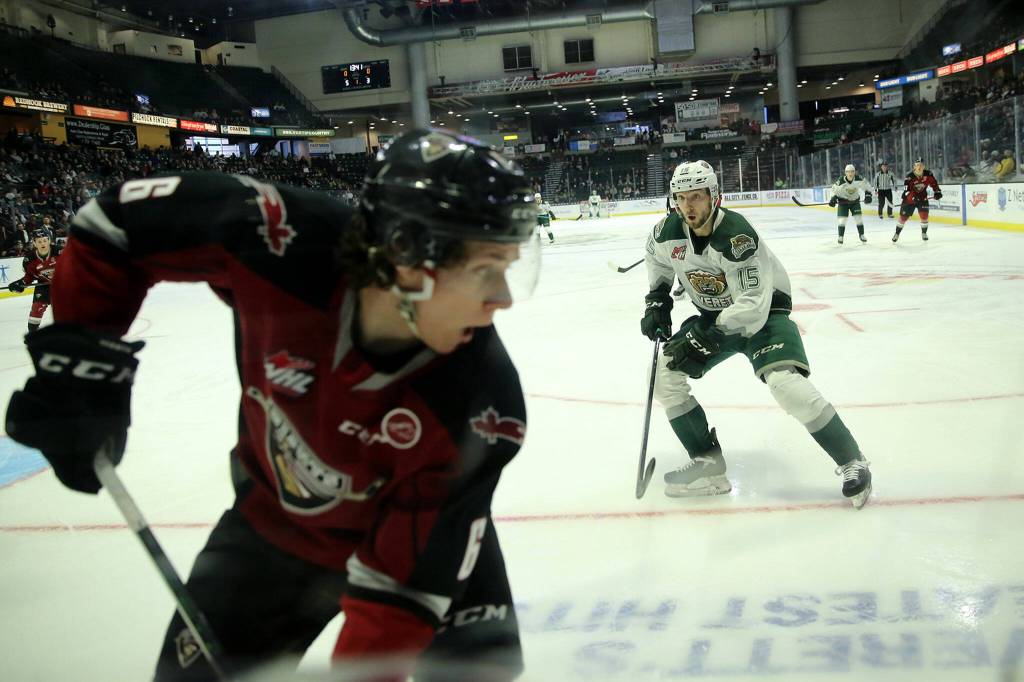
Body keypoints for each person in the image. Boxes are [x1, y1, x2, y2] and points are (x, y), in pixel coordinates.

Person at [4, 129, 540, 681]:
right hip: (272, 532)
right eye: (485, 268)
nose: (503, 298)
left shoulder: (482, 406)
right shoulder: (278, 235)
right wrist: (81, 373)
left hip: (416, 542)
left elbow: (397, 600)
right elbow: (113, 226)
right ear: (406, 254)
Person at [639, 160, 871, 509]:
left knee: (785, 384)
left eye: (697, 197)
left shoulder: (736, 236)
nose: (689, 206)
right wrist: (657, 299)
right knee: (663, 375)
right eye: (682, 198)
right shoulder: (665, 232)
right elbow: (656, 259)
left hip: (764, 316)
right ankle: (708, 465)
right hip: (715, 317)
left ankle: (853, 461)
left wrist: (711, 336)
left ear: (714, 196)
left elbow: (752, 304)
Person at [7, 228, 61, 333]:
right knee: (37, 308)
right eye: (39, 241)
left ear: (49, 241)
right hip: (44, 285)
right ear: (34, 243)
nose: (43, 243)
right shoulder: (29, 259)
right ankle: (33, 334)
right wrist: (20, 283)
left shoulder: (61, 252)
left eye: (45, 240)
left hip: (64, 284)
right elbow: (29, 276)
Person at [893, 158, 941, 243]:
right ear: (914, 167)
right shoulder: (909, 177)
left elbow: (934, 183)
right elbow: (906, 192)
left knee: (924, 216)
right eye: (917, 165)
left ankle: (924, 233)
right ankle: (897, 233)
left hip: (922, 198)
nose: (919, 167)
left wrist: (937, 192)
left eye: (921, 165)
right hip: (909, 200)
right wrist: (912, 197)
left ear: (924, 167)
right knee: (903, 218)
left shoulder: (928, 174)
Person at [829, 163, 872, 244]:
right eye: (848, 172)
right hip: (843, 203)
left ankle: (862, 235)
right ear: (845, 173)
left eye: (852, 171)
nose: (850, 173)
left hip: (854, 202)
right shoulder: (841, 180)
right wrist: (833, 198)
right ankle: (840, 236)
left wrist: (868, 194)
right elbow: (833, 190)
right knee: (842, 220)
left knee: (858, 218)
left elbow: (867, 187)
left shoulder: (859, 179)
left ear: (854, 172)